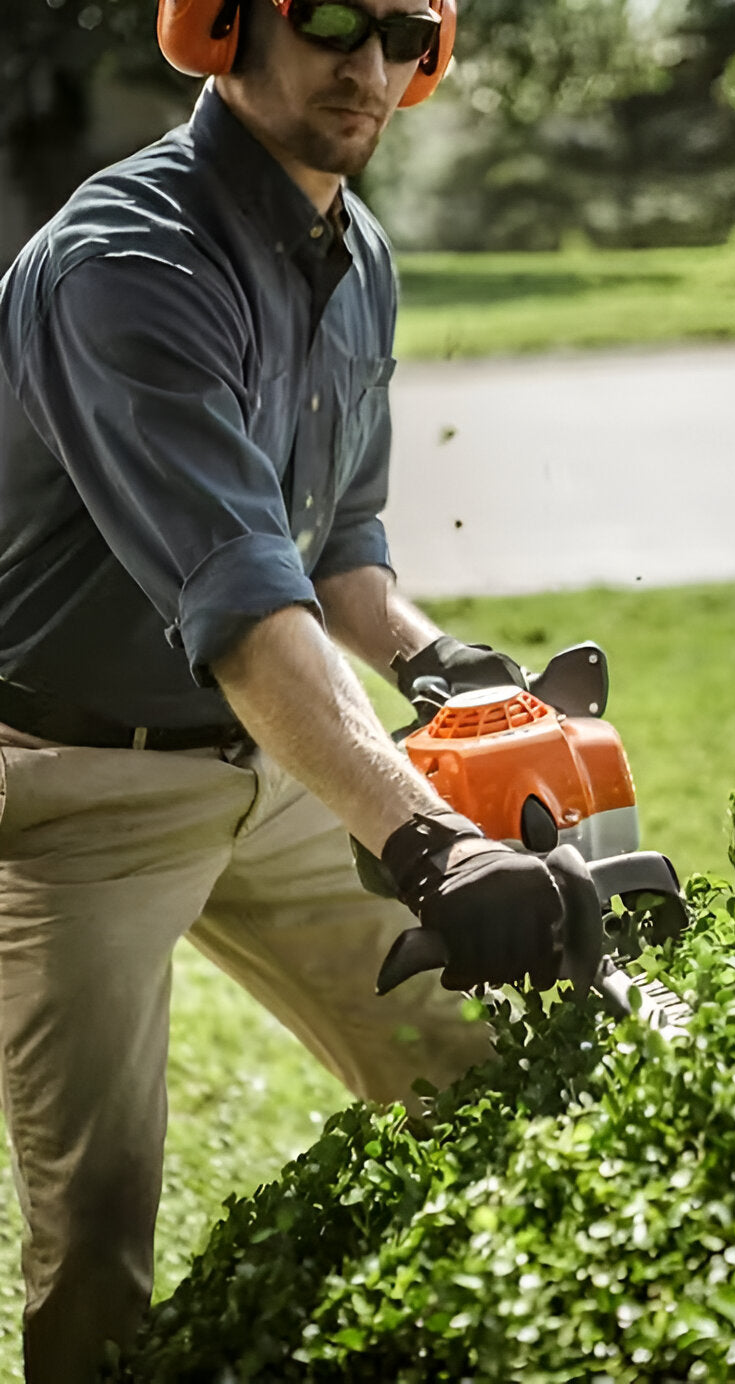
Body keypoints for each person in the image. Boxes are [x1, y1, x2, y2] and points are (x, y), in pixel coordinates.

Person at [0, 0, 590, 1379]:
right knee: (96, 1247)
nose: (368, 70)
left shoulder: (355, 247)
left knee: (481, 1066)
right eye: (332, 23)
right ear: (225, 28)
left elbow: (338, 556)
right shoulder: (126, 259)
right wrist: (432, 842)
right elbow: (245, 602)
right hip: (81, 790)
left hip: (275, 766)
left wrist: (437, 663)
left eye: (401, 34)